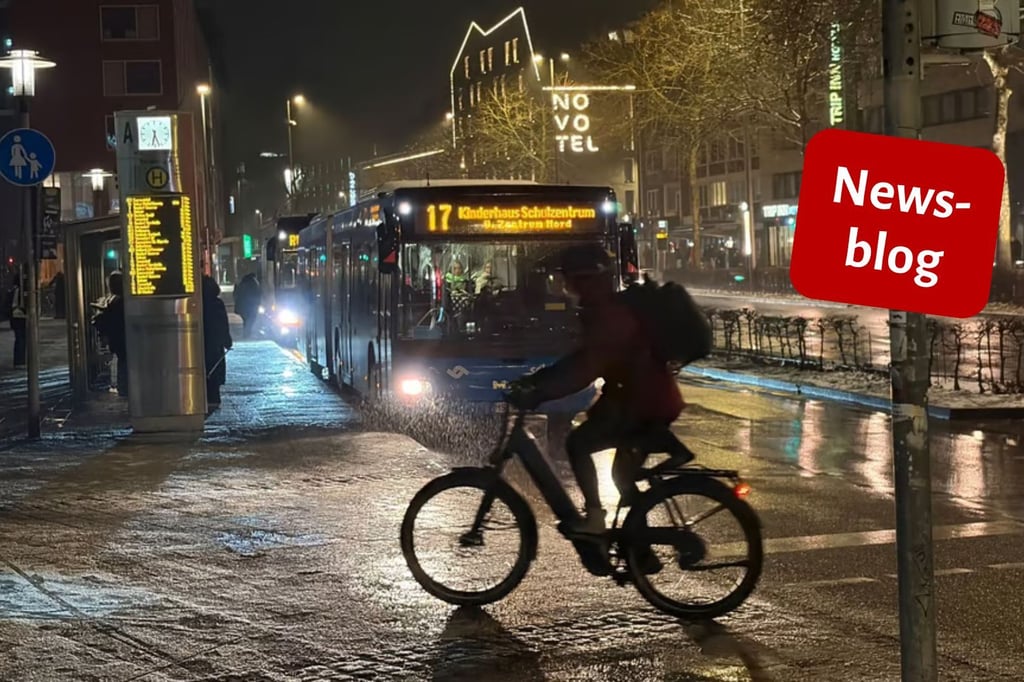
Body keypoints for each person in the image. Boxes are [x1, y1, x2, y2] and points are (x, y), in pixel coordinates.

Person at [509, 244, 690, 567]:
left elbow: (585, 369)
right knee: (622, 476)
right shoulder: (603, 309)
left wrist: (539, 392)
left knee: (579, 444)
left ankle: (595, 519)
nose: (567, 288)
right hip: (639, 399)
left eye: (570, 280)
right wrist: (539, 380)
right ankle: (641, 554)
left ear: (586, 280)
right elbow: (581, 359)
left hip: (643, 403)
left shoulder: (609, 315)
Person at [92, 272, 127, 396]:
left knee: (123, 363)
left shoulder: (118, 301)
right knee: (123, 362)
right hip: (121, 338)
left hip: (120, 338)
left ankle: (123, 388)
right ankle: (122, 387)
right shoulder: (121, 300)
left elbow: (111, 318)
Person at [202, 275, 233, 408]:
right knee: (214, 372)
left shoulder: (199, 304)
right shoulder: (217, 304)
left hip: (201, 342)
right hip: (215, 344)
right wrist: (227, 341)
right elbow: (222, 324)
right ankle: (214, 399)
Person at [233, 272, 262, 338]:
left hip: (242, 306)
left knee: (246, 320)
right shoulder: (254, 283)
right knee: (250, 319)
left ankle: (246, 333)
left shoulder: (242, 283)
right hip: (251, 305)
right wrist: (258, 303)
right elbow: (258, 294)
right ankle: (247, 333)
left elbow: (236, 294)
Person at [7, 268, 26, 367]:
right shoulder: (19, 291)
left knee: (19, 338)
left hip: (15, 317)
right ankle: (20, 361)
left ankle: (19, 360)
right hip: (19, 317)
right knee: (21, 339)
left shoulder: (13, 290)